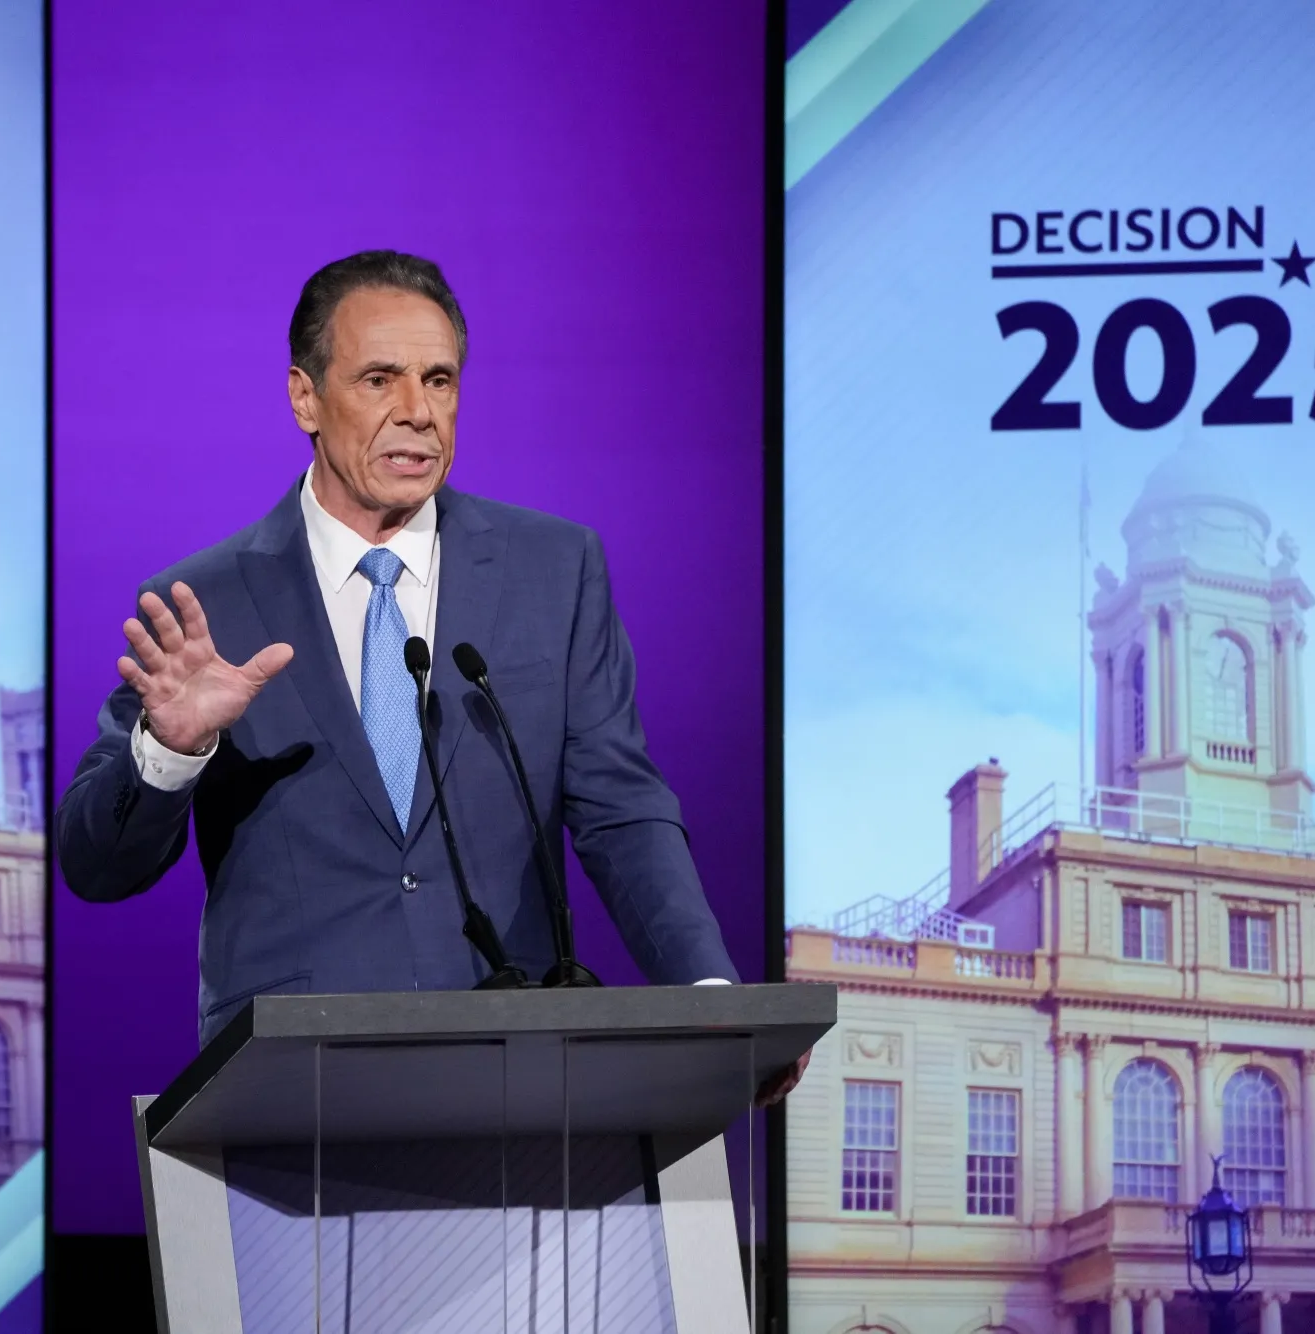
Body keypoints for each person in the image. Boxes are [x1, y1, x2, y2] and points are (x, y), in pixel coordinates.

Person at [57, 250, 808, 1103]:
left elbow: (621, 809)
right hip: (291, 1096)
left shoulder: (552, 570)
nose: (417, 411)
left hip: (517, 1079)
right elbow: (95, 865)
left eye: (439, 380)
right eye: (379, 379)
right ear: (305, 397)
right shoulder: (205, 603)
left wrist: (708, 995)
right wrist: (170, 750)